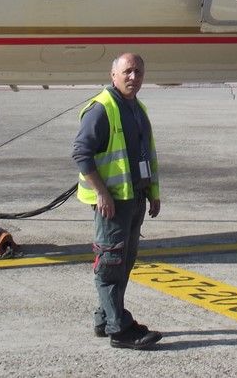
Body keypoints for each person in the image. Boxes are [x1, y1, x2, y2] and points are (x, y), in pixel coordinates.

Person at [72, 53, 162, 349]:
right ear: (114, 75)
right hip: (112, 202)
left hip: (134, 197)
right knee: (110, 264)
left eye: (139, 72)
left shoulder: (137, 107)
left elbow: (145, 154)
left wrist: (152, 193)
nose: (133, 77)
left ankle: (104, 317)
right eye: (127, 72)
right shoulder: (102, 108)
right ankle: (120, 329)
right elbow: (81, 153)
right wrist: (101, 193)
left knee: (123, 262)